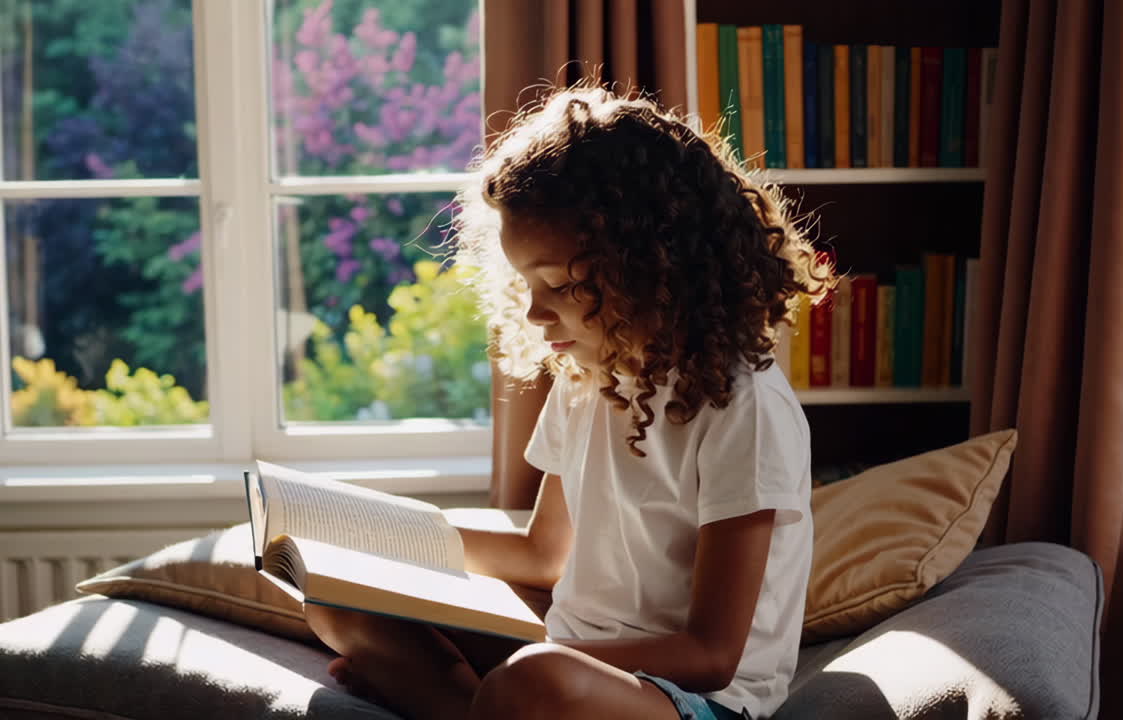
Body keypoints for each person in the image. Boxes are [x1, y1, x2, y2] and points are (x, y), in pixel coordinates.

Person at [304, 83, 836, 720]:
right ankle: (474, 704)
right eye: (524, 282)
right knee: (336, 600)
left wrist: (551, 654)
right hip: (570, 653)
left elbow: (713, 654)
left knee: (535, 683)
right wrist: (380, 537)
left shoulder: (744, 409)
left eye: (557, 282)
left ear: (647, 264)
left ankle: (458, 700)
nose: (532, 311)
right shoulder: (588, 374)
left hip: (696, 698)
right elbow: (542, 554)